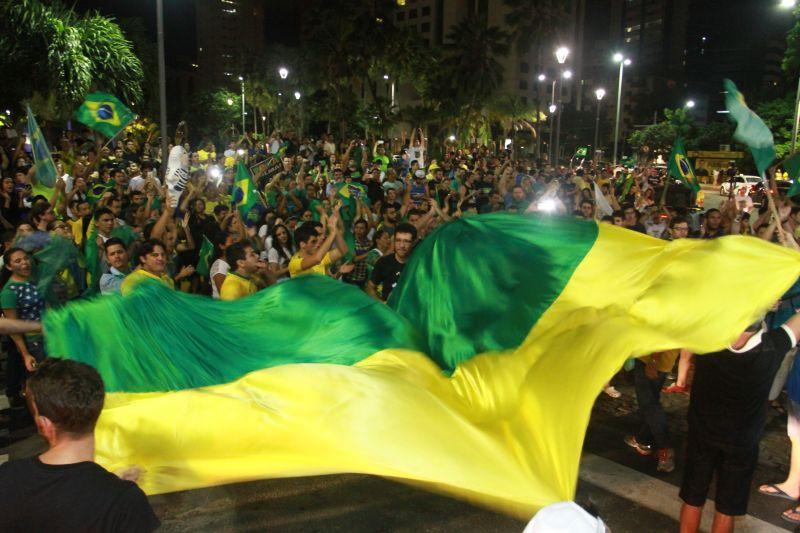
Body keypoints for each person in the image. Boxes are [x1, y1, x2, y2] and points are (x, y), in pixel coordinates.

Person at [0, 358, 160, 532]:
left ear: (44, 424)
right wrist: (113, 490)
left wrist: (110, 486)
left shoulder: (7, 476)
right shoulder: (125, 502)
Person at [679, 311, 800, 533]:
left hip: (702, 434)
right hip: (741, 443)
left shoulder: (707, 340)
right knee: (727, 506)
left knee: (692, 497)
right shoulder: (772, 347)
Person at [1, 247, 46, 373]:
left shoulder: (33, 281)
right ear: (9, 267)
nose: (24, 263)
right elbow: (12, 327)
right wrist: (25, 354)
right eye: (18, 261)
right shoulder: (9, 292)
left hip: (48, 336)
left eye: (26, 258)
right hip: (33, 342)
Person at [288, 205, 348, 278]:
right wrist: (332, 233)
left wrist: (334, 228)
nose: (322, 237)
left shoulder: (320, 255)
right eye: (313, 241)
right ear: (302, 244)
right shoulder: (294, 263)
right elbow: (317, 259)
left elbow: (343, 251)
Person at [367, 223, 416, 302]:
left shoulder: (418, 264)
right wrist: (382, 305)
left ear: (413, 243)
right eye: (398, 240)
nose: (401, 245)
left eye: (406, 241)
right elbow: (370, 287)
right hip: (389, 311)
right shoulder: (384, 262)